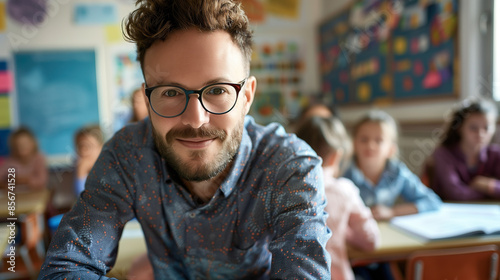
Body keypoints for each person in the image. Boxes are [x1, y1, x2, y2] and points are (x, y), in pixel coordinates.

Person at [39, 1, 331, 279]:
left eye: (217, 90)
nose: (195, 119)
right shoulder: (127, 155)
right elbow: (64, 268)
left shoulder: (289, 167)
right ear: (147, 99)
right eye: (170, 92)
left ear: (247, 97)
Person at [296, 116, 380, 280]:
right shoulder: (343, 190)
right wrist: (340, 232)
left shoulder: (282, 188)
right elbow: (371, 241)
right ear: (337, 156)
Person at [343, 110, 442, 221]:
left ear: (391, 149)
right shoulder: (342, 173)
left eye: (378, 140)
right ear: (354, 144)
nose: (370, 145)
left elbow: (432, 201)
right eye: (364, 139)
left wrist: (393, 212)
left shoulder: (397, 172)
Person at [431, 98, 500, 200]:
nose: (480, 134)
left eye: (486, 128)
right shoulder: (443, 154)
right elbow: (455, 194)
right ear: (459, 128)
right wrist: (490, 192)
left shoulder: (496, 154)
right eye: (473, 128)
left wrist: (489, 185)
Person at [0, 127, 48, 191]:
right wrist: (6, 184)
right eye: (19, 144)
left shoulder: (39, 159)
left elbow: (41, 181)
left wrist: (24, 180)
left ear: (32, 143)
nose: (23, 147)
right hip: (15, 196)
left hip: (36, 196)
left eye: (25, 143)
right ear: (14, 146)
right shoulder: (10, 162)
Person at [73, 124, 104, 196]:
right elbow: (80, 198)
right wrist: (81, 173)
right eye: (80, 147)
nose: (83, 151)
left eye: (88, 146)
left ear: (102, 148)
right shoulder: (78, 165)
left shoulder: (109, 169)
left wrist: (81, 171)